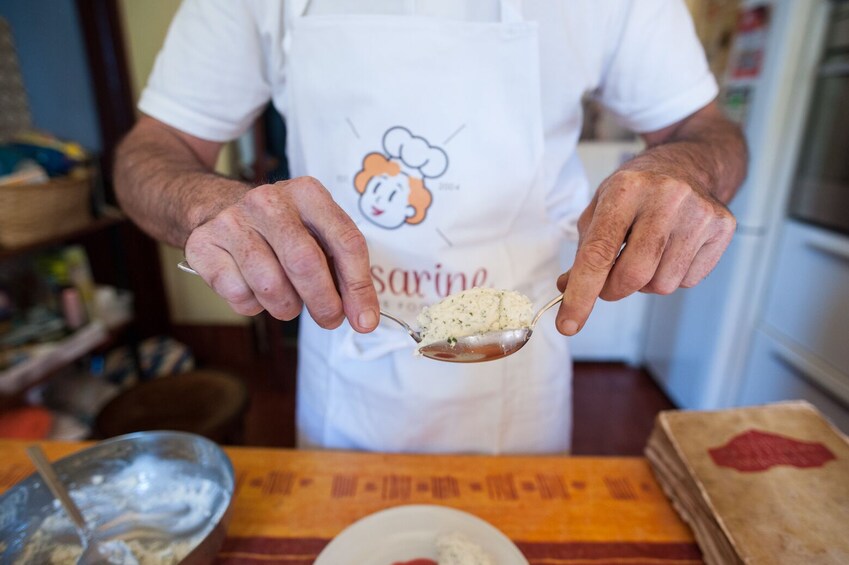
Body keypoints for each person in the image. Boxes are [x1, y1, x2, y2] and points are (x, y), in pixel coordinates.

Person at [114, 0, 747, 454]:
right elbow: (152, 150)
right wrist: (206, 203)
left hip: (515, 366)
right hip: (349, 367)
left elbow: (707, 129)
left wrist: (687, 167)